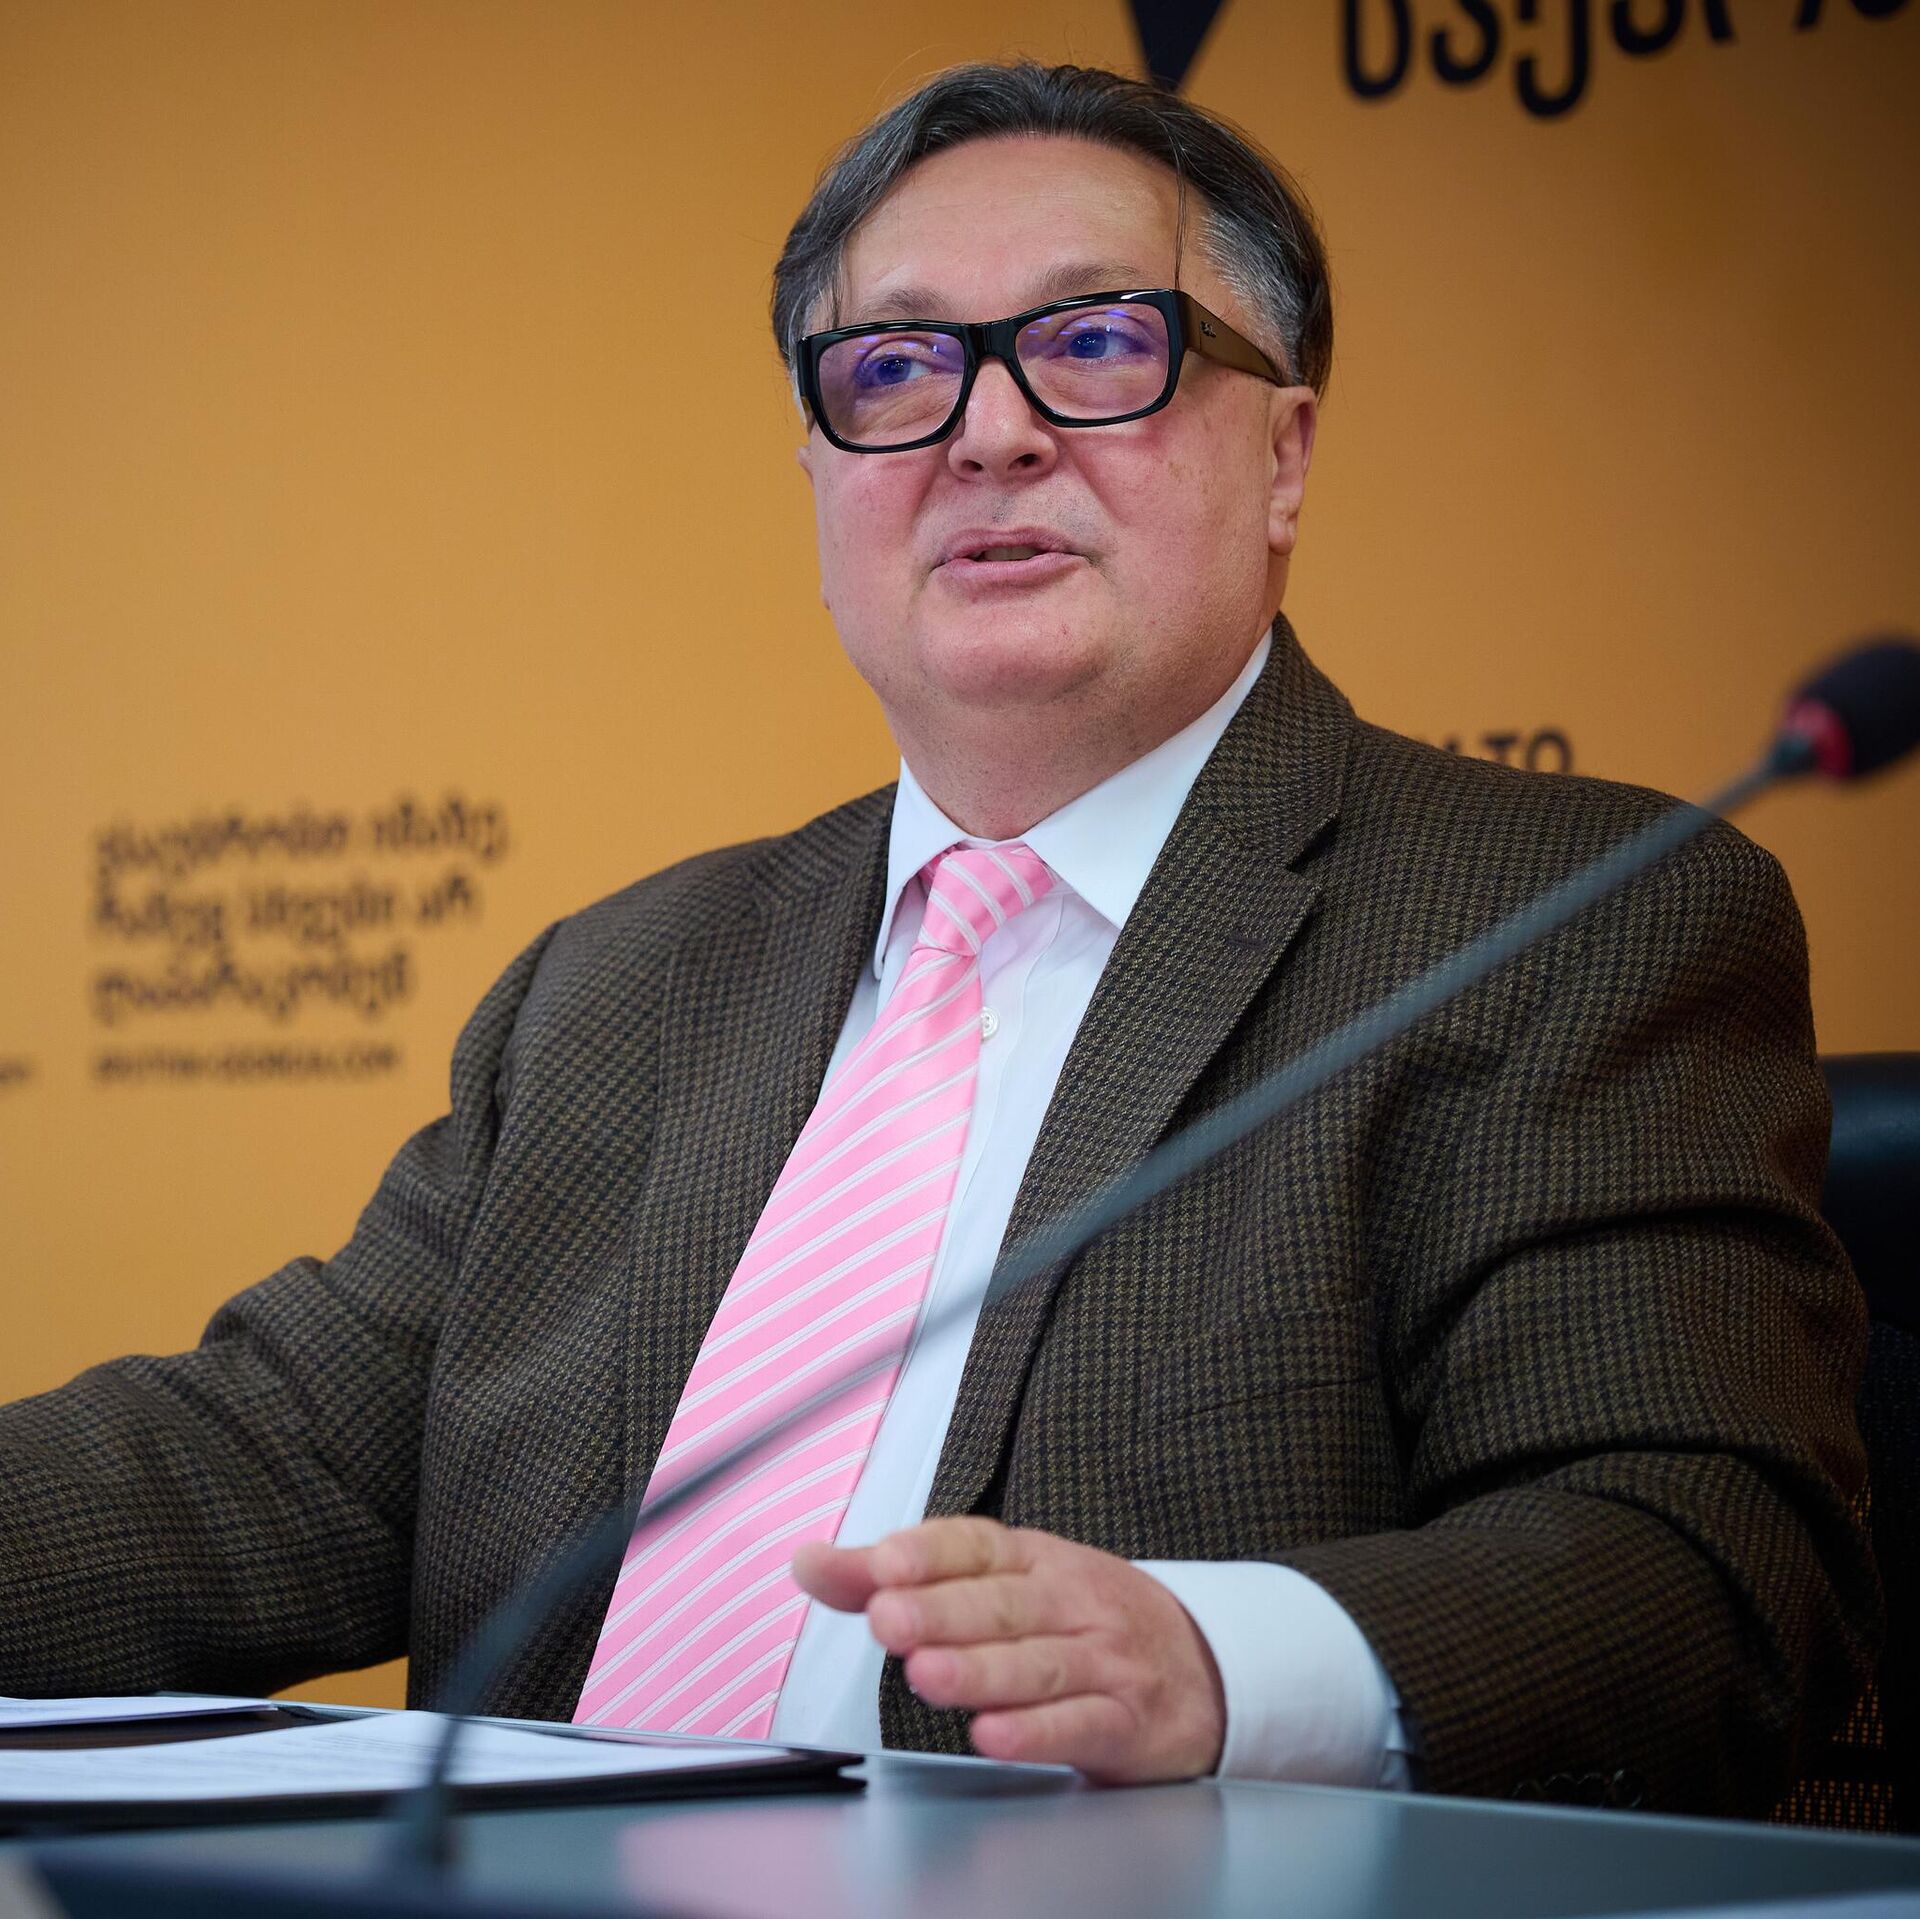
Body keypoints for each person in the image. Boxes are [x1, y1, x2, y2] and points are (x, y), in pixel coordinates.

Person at [0, 62, 1876, 1815]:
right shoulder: (620, 986)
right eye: (894, 369)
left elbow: (1704, 1561)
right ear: (822, 479)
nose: (989, 431)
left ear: (1285, 455)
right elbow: (265, 1460)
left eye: (1096, 344)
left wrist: (1221, 1667)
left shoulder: (1561, 923)